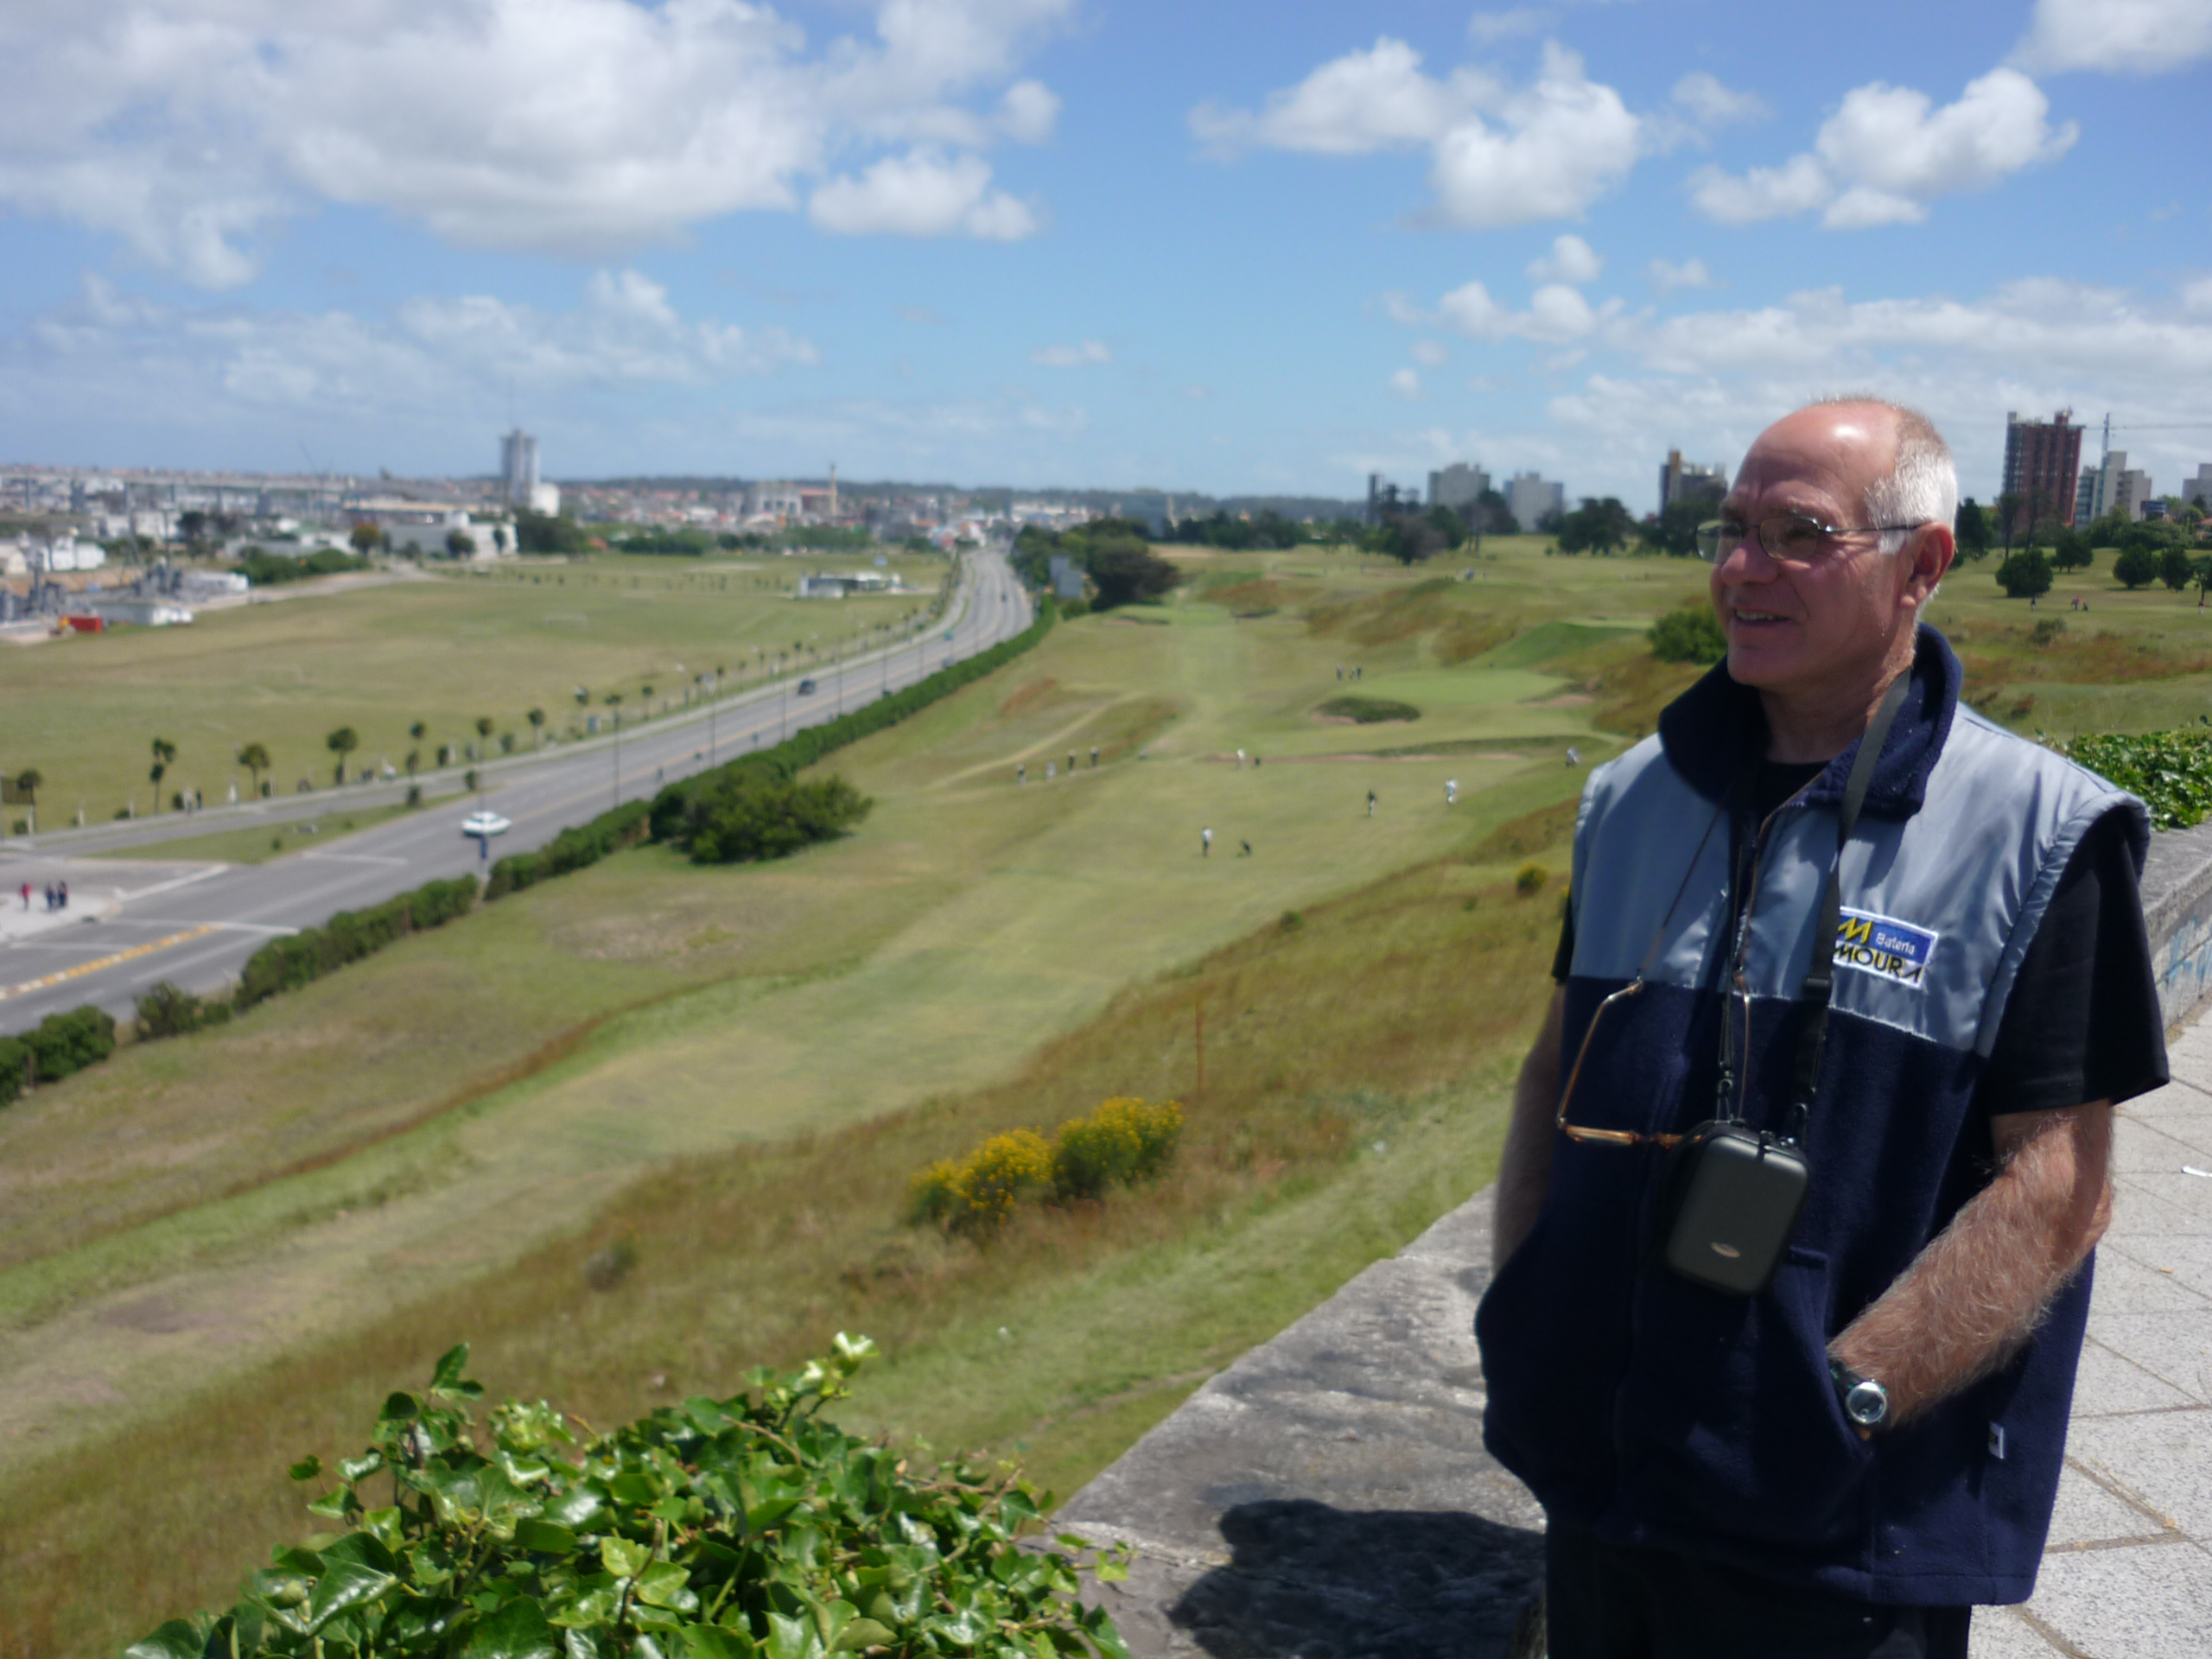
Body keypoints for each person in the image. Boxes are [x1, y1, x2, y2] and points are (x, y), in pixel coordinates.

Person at [1476, 398, 2167, 1658]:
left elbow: (2059, 1184)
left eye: (1801, 534)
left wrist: (1847, 1397)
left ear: (1924, 565)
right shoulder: (1632, 795)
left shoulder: (2040, 836)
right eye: (1731, 529)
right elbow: (1550, 1072)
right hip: (1604, 1486)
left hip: (1839, 1534)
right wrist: (1525, 1310)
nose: (1743, 570)